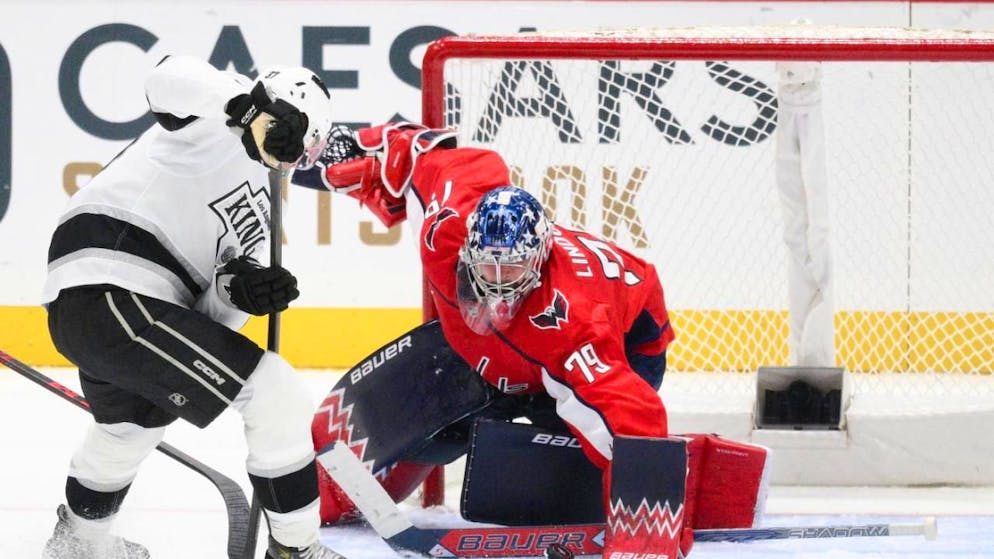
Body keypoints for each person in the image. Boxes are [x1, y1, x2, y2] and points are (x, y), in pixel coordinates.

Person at [296, 123, 691, 558]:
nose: (500, 284)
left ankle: (586, 468)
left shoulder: (575, 325)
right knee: (438, 402)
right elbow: (442, 159)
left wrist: (646, 535)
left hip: (630, 343)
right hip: (505, 348)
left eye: (514, 270)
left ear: (540, 259)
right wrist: (391, 149)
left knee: (576, 447)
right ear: (467, 250)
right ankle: (328, 492)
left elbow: (636, 414)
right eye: (488, 269)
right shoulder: (444, 232)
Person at [40, 55, 346, 559]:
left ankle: (78, 544)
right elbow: (164, 78)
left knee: (130, 428)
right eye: (297, 138)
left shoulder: (267, 216)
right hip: (107, 285)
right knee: (276, 394)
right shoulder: (216, 118)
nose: (296, 157)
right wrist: (249, 112)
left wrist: (238, 293)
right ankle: (297, 551)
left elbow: (207, 319)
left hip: (125, 312)